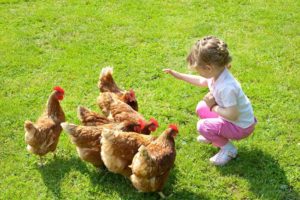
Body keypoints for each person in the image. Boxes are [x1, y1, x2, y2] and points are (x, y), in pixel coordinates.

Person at [163, 36, 256, 166]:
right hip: (234, 120)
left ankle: (229, 149)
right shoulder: (217, 74)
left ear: (208, 68)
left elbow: (233, 114)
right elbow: (201, 81)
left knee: (202, 126)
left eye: (198, 70)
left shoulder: (226, 87)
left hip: (240, 126)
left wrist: (212, 107)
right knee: (201, 107)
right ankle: (214, 135)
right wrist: (178, 75)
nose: (199, 73)